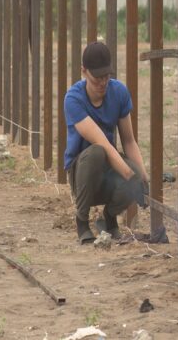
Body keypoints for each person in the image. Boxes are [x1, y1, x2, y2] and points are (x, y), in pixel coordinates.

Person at [64, 42, 149, 244]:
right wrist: (129, 175)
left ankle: (109, 218)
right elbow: (101, 142)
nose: (102, 83)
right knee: (97, 152)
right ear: (84, 72)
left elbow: (128, 140)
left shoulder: (118, 92)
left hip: (108, 169)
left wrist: (143, 180)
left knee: (136, 174)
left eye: (106, 77)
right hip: (82, 172)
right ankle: (82, 220)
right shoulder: (73, 99)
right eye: (97, 78)